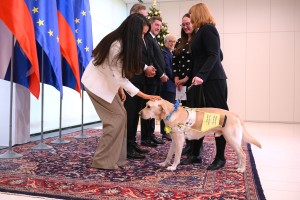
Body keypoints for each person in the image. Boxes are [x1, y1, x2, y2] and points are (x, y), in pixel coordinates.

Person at [81, 13, 161, 170]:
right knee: (115, 119)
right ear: (133, 31)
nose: (142, 38)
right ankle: (102, 161)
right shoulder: (117, 46)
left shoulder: (123, 43)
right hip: (97, 85)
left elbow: (116, 73)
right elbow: (120, 78)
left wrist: (119, 89)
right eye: (142, 33)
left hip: (107, 84)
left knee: (121, 116)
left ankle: (116, 158)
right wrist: (144, 95)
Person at [181, 3, 229, 170]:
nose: (190, 18)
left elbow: (215, 55)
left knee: (217, 119)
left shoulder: (208, 29)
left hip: (213, 81)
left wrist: (202, 75)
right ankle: (195, 154)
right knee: (197, 117)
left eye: (192, 14)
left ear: (198, 14)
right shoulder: (200, 32)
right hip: (201, 81)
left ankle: (220, 157)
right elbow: (218, 54)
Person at [125, 4, 157, 159]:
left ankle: (132, 143)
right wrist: (145, 67)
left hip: (141, 80)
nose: (146, 21)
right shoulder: (129, 34)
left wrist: (148, 69)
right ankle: (126, 146)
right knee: (130, 114)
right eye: (142, 17)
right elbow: (132, 57)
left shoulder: (142, 36)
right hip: (131, 79)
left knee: (136, 113)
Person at [141, 16, 168, 147]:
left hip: (157, 80)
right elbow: (152, 58)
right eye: (156, 25)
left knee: (154, 109)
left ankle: (151, 135)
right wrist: (161, 74)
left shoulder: (154, 39)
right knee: (149, 108)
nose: (158, 28)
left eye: (160, 26)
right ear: (150, 24)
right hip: (152, 80)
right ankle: (145, 137)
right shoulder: (148, 38)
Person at [172, 13, 195, 155]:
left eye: (188, 23)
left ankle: (194, 144)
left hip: (191, 82)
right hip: (179, 84)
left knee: (191, 114)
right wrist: (175, 77)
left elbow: (195, 62)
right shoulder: (180, 41)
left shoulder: (197, 41)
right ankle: (187, 143)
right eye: (183, 24)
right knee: (182, 113)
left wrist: (187, 77)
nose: (186, 26)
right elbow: (174, 61)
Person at [160, 34, 177, 141]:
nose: (172, 43)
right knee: (166, 110)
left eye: (174, 41)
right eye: (170, 41)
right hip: (167, 86)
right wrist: (176, 79)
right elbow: (167, 68)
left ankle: (168, 130)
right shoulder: (165, 53)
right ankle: (165, 132)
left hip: (172, 85)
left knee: (170, 110)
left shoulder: (171, 53)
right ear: (165, 41)